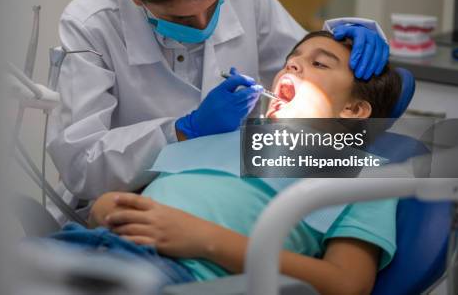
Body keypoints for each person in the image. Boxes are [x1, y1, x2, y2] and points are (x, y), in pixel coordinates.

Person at [47, 0, 390, 221]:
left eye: (213, 7)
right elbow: (81, 167)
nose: (202, 25)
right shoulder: (91, 23)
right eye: (181, 17)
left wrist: (358, 54)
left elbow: (315, 67)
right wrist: (183, 131)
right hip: (126, 201)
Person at [50, 31, 402, 294]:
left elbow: (347, 284)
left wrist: (204, 239)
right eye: (292, 59)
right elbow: (140, 197)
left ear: (354, 111)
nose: (292, 64)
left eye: (319, 63)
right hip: (84, 245)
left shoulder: (362, 172)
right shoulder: (225, 134)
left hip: (172, 277)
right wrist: (109, 206)